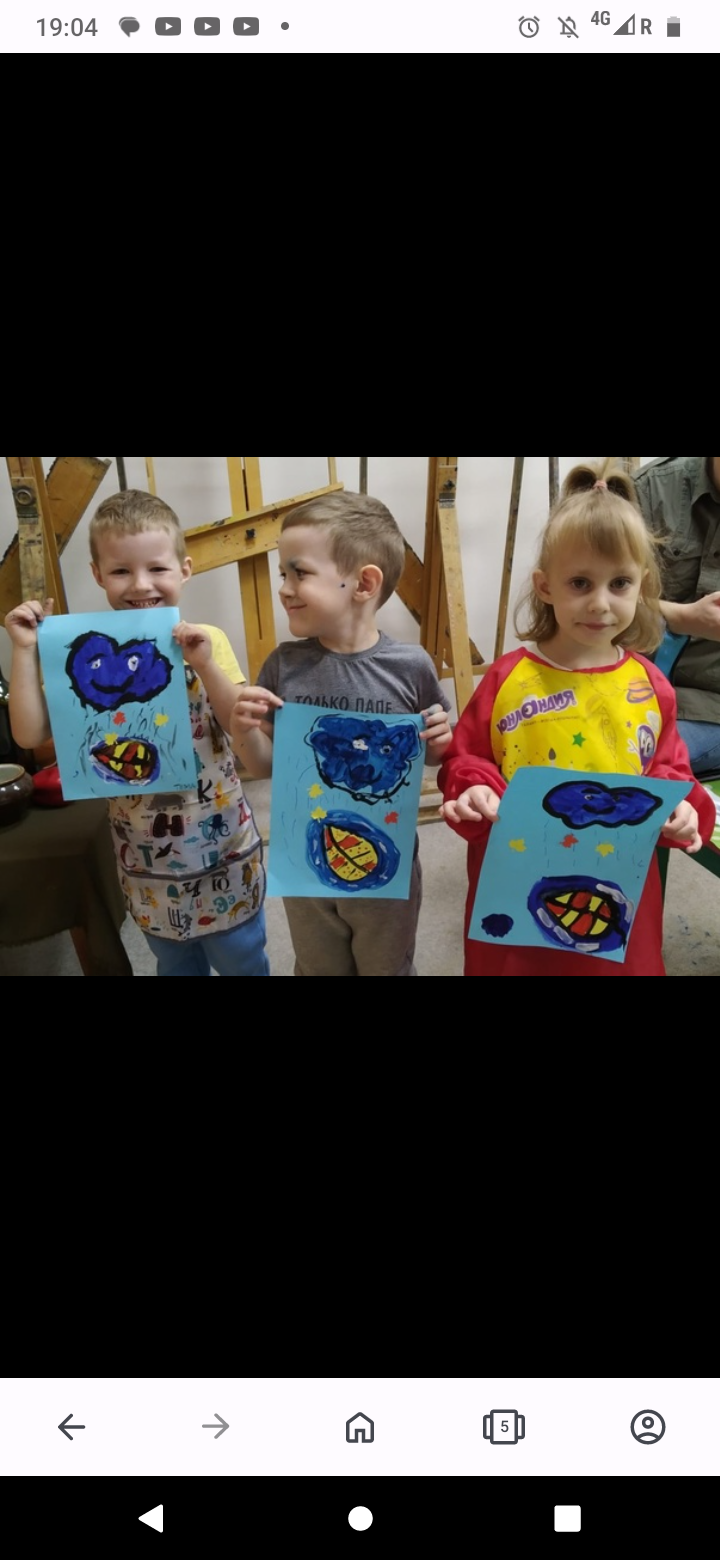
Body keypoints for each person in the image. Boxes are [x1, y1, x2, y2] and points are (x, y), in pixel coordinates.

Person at [438, 459, 716, 978]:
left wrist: (683, 810)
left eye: (620, 583)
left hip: (620, 887)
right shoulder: (507, 678)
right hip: (517, 880)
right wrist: (474, 789)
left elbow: (670, 772)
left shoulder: (650, 687)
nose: (600, 604)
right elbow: (466, 758)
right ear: (545, 586)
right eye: (580, 582)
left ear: (643, 586)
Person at [4, 489, 269, 977]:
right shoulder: (81, 653)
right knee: (174, 963)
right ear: (98, 575)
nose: (141, 584)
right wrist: (23, 650)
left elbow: (238, 728)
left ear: (184, 570)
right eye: (121, 570)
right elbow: (28, 733)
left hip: (223, 849)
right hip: (145, 861)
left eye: (157, 568)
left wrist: (204, 663)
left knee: (243, 959)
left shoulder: (208, 640)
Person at [229, 490, 453, 976]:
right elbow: (264, 766)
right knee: (318, 966)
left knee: (386, 966)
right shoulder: (284, 665)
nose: (284, 589)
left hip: (386, 865)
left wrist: (440, 740)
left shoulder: (410, 666)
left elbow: (432, 756)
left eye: (299, 573)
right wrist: (241, 729)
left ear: (364, 583)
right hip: (304, 861)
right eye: (283, 575)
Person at [633, 456, 720, 776]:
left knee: (632, 759)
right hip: (627, 689)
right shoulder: (649, 490)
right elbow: (587, 598)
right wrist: (681, 617)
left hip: (710, 711)